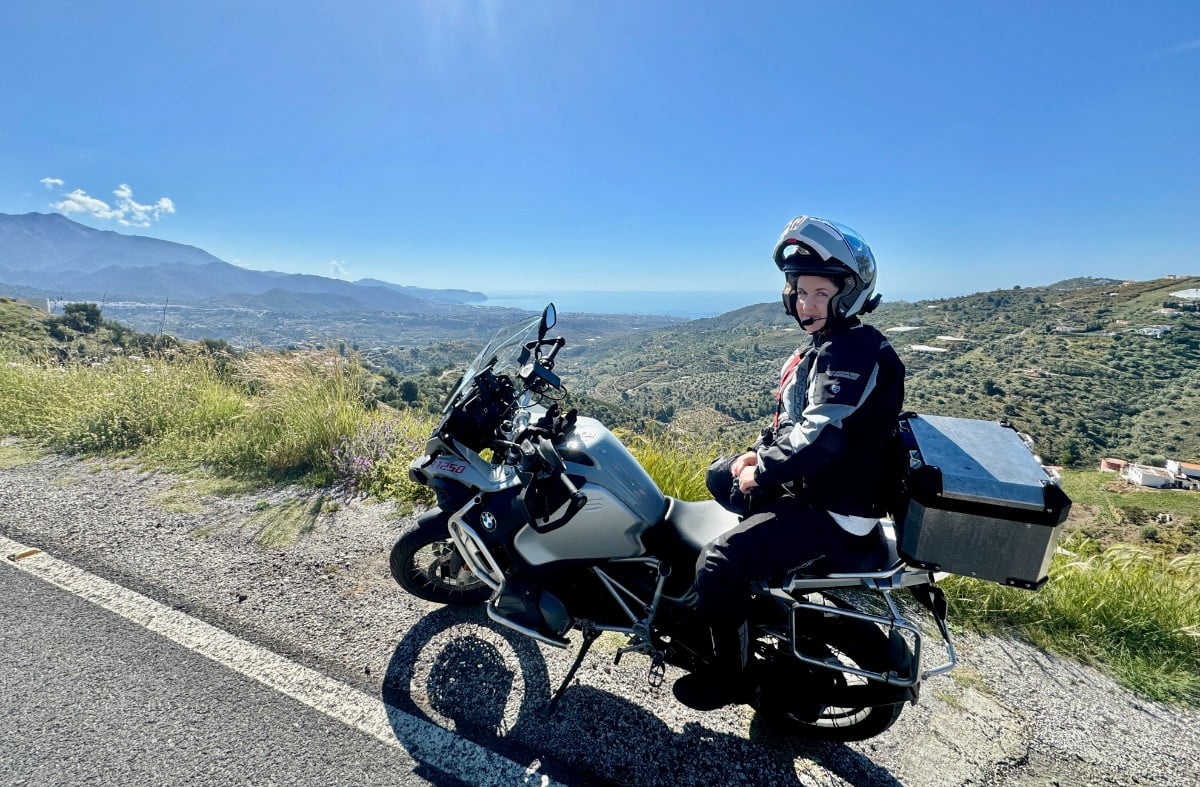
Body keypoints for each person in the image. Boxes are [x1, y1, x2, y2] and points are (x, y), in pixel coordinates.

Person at [673, 216, 906, 711]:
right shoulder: (830, 345)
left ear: (849, 295)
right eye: (800, 292)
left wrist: (761, 471)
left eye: (821, 293)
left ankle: (728, 676)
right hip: (817, 486)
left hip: (836, 509)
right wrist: (756, 454)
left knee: (718, 563)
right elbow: (795, 422)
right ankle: (745, 596)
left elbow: (821, 437)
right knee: (718, 473)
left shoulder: (852, 351)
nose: (807, 304)